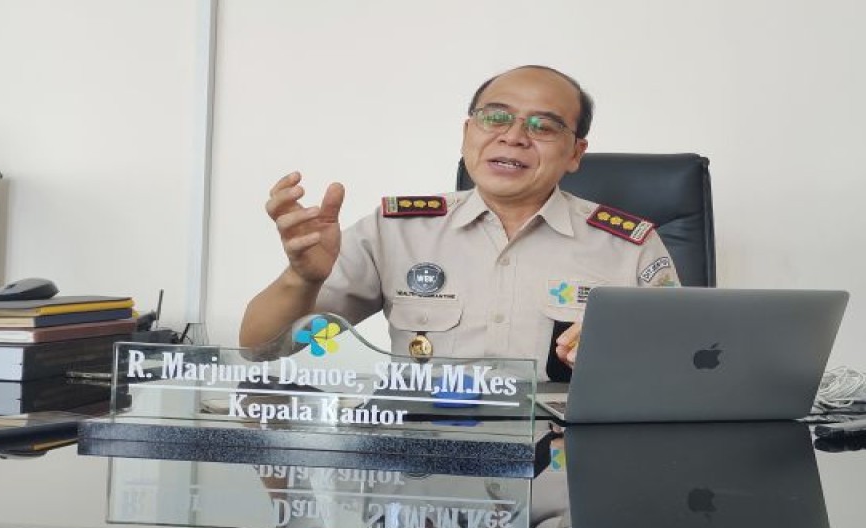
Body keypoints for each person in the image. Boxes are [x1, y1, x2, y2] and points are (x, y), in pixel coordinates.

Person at [239, 65, 677, 379]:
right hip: (425, 481)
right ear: (468, 132)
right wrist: (300, 279)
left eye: (543, 126)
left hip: (563, 476)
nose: (514, 136)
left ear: (575, 153)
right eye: (496, 118)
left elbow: (685, 370)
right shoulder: (396, 232)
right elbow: (260, 349)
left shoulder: (628, 246)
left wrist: (628, 353)